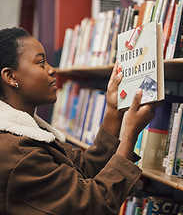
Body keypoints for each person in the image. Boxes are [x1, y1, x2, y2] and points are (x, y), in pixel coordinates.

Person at [0, 27, 158, 215]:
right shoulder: (17, 152)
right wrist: (129, 136)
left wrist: (113, 111)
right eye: (41, 63)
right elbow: (92, 206)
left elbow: (82, 170)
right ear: (11, 77)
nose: (52, 69)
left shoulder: (28, 133)